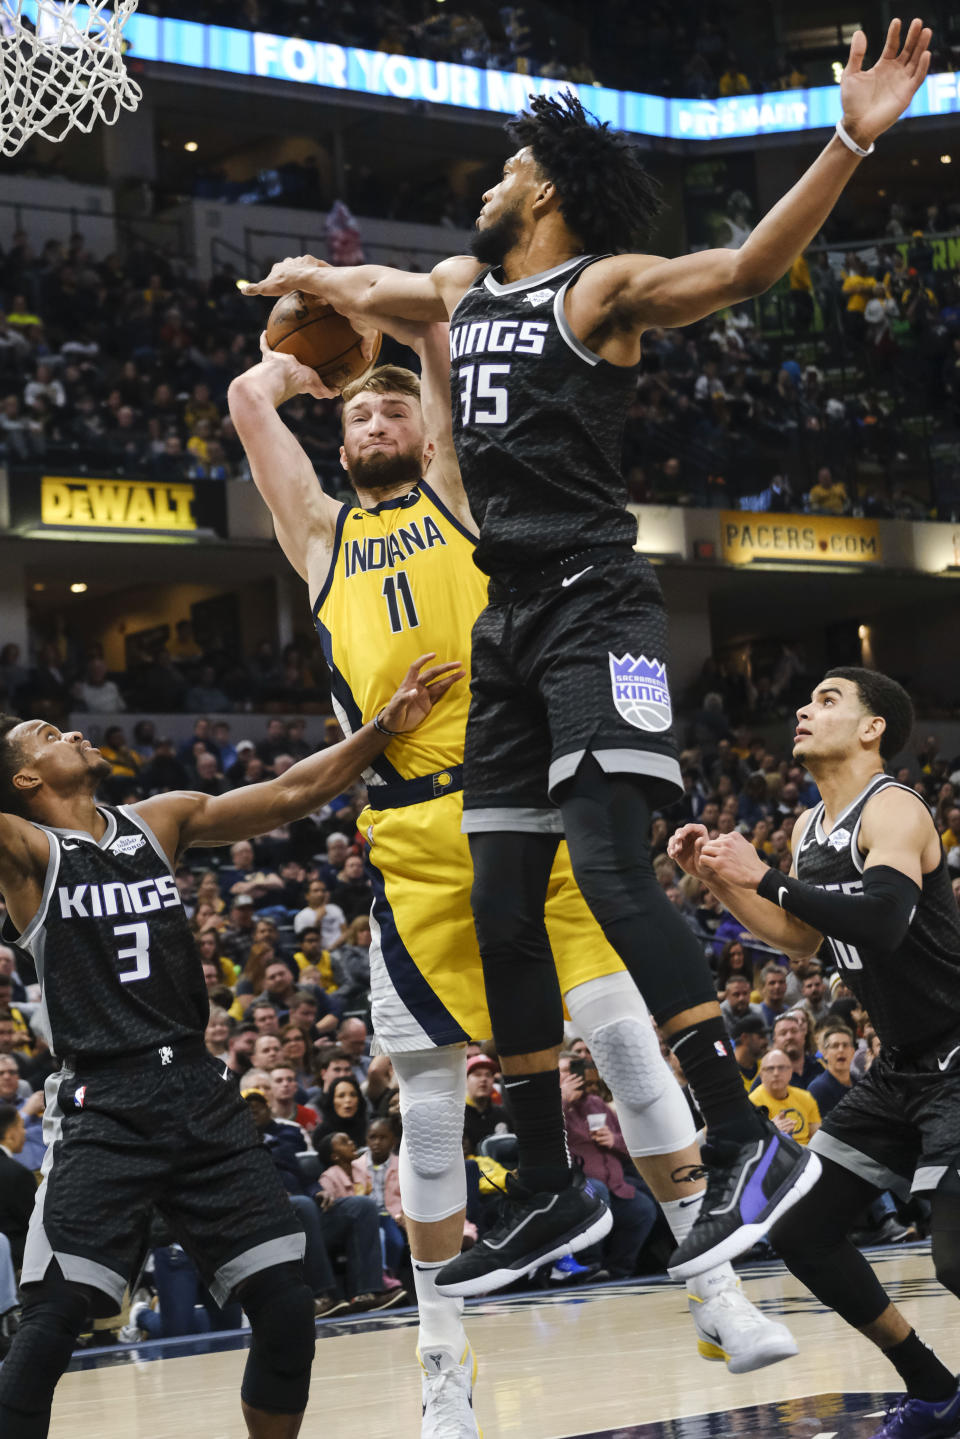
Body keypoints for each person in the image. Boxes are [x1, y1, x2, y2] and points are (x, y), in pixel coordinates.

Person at [242, 23, 935, 1282]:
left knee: (612, 874)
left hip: (596, 604)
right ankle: (550, 1187)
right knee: (504, 898)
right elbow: (362, 299)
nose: (489, 183)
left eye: (506, 168)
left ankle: (742, 1138)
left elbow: (743, 267)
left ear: (546, 190)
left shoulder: (599, 290)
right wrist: (311, 281)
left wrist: (848, 139)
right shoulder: (460, 289)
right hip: (509, 623)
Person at [229, 316, 798, 1434]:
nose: (382, 421)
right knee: (432, 1113)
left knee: (632, 1045)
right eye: (361, 414)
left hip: (522, 801)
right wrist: (299, 362)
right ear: (339, 442)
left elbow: (442, 351)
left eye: (396, 410)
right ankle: (444, 1357)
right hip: (411, 841)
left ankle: (715, 1286)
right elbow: (253, 408)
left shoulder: (455, 494)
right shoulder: (321, 535)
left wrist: (386, 338)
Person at [0, 658, 461, 1439]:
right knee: (51, 1320)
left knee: (286, 1306)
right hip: (104, 1102)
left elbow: (290, 793)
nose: (72, 729)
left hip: (200, 1095)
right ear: (23, 780)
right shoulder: (25, 851)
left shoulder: (159, 818)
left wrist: (383, 728)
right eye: (48, 734)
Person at [669, 666, 960, 1435]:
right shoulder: (804, 827)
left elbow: (886, 918)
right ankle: (936, 1389)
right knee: (801, 1226)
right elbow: (805, 937)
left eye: (828, 699)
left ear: (873, 728)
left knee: (957, 1259)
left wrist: (761, 873)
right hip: (896, 1064)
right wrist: (721, 882)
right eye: (805, 697)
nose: (804, 707)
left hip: (958, 1054)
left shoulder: (895, 806)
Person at [748, 1049, 821, 1145]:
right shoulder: (751, 1103)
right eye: (770, 1069)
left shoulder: (805, 1097)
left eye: (781, 1068)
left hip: (806, 1153)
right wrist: (771, 1130)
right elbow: (749, 1144)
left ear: (790, 1072)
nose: (776, 1073)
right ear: (761, 1074)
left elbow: (817, 1138)